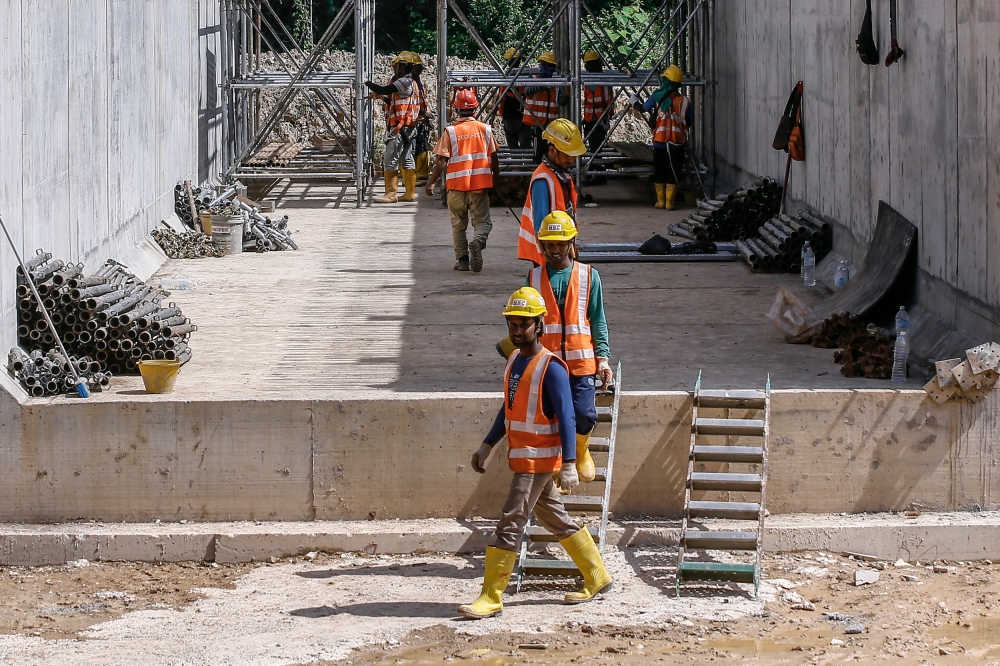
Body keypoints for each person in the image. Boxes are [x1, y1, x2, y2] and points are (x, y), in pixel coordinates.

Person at [459, 287, 614, 620]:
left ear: (539, 325)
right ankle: (596, 575)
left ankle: (491, 595)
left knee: (511, 521)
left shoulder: (552, 367)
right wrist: (488, 443)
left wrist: (570, 463)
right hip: (523, 455)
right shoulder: (515, 359)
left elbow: (569, 415)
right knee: (555, 517)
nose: (517, 330)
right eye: (512, 324)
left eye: (524, 324)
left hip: (538, 460)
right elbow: (510, 407)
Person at [499, 211, 612, 483]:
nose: (556, 249)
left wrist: (603, 359)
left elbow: (597, 319)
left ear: (572, 242)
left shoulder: (589, 276)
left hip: (581, 362)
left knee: (584, 414)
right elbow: (526, 320)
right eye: (550, 244)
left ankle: (581, 449)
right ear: (542, 246)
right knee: (552, 417)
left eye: (561, 243)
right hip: (547, 366)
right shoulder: (534, 278)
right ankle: (561, 464)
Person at [424, 89, 500, 273]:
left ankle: (462, 261)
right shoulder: (485, 129)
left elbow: (442, 160)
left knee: (458, 225)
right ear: (476, 107)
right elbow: (495, 157)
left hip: (456, 186)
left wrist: (431, 182)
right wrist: (496, 181)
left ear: (456, 109)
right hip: (479, 186)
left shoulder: (450, 132)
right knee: (482, 222)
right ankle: (479, 240)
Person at [517, 118, 585, 266]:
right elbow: (540, 224)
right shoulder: (543, 180)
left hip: (560, 249)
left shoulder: (560, 175)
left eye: (573, 154)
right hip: (551, 253)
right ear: (552, 150)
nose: (571, 159)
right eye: (567, 154)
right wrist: (550, 259)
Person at [364, 52, 419, 203]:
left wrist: (366, 82)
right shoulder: (411, 82)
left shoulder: (404, 81)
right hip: (408, 127)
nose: (395, 69)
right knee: (407, 159)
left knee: (390, 160)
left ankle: (391, 194)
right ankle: (410, 193)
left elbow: (383, 89)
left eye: (396, 66)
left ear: (402, 66)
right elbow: (393, 99)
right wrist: (382, 98)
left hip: (399, 128)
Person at [636, 65, 693, 210]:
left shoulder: (657, 96)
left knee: (659, 170)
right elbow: (690, 120)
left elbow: (643, 108)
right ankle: (670, 203)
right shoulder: (684, 101)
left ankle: (660, 202)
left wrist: (634, 102)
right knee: (674, 171)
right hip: (677, 142)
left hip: (660, 142)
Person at [522, 51, 569, 164]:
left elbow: (561, 102)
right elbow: (527, 91)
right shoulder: (533, 78)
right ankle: (538, 173)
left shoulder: (557, 83)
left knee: (551, 153)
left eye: (551, 66)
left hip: (551, 126)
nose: (547, 68)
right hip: (537, 123)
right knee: (539, 153)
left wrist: (567, 95)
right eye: (545, 65)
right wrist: (542, 85)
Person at [581, 51, 613, 155]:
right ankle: (595, 168)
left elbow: (620, 73)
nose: (588, 66)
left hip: (601, 119)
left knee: (596, 148)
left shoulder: (606, 78)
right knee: (592, 147)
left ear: (597, 63)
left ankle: (596, 167)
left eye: (591, 63)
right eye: (587, 63)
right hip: (589, 119)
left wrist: (626, 71)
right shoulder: (585, 79)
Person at [500, 48, 532, 149]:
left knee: (514, 147)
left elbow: (499, 99)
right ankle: (524, 164)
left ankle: (517, 162)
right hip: (520, 117)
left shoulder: (504, 78)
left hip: (514, 117)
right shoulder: (526, 77)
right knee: (524, 146)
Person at [409, 53, 432, 186]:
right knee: (410, 148)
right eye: (417, 68)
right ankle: (411, 177)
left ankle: (420, 174)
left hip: (419, 119)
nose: (419, 71)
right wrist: (422, 112)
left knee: (420, 146)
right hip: (412, 120)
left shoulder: (417, 81)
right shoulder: (408, 83)